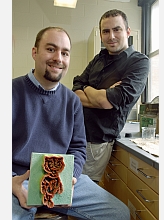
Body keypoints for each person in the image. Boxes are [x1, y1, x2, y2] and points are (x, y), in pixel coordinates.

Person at [12, 26, 130, 220]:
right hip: (19, 178)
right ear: (35, 52)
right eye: (50, 49)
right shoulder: (10, 92)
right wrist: (10, 181)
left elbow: (77, 147)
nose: (58, 58)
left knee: (119, 214)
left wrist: (70, 179)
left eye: (65, 53)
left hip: (61, 178)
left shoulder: (72, 101)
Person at [72, 9, 149, 183]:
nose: (111, 36)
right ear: (100, 34)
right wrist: (99, 94)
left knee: (80, 189)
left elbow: (108, 102)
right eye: (106, 31)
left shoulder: (138, 62)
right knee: (63, 188)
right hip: (74, 133)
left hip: (96, 141)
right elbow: (75, 91)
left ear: (128, 32)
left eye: (117, 29)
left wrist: (89, 89)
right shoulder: (99, 58)